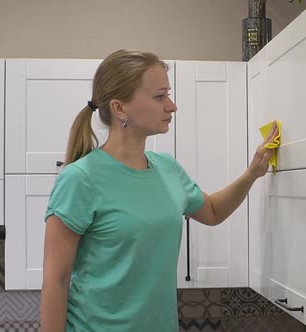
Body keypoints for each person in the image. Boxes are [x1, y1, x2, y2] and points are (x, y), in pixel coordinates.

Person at [40, 49, 279, 332]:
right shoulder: (80, 179)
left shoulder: (168, 168)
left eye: (168, 94)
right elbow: (56, 280)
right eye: (159, 96)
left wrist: (252, 174)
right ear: (120, 108)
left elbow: (213, 211)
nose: (172, 105)